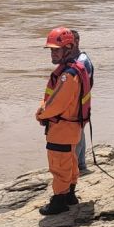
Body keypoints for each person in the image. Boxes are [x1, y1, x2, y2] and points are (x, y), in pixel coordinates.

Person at [36, 27, 92, 216]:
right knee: (70, 161)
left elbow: (56, 103)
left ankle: (60, 200)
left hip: (62, 127)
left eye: (56, 50)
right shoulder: (75, 70)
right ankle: (70, 195)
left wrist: (41, 114)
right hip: (72, 126)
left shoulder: (68, 75)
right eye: (51, 49)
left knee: (59, 165)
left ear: (68, 48)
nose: (53, 53)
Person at [72, 30, 95, 173]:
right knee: (80, 134)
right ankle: (81, 165)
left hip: (79, 105)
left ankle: (75, 167)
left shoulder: (82, 61)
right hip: (81, 104)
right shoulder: (78, 59)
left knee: (77, 135)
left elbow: (78, 86)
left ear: (77, 41)